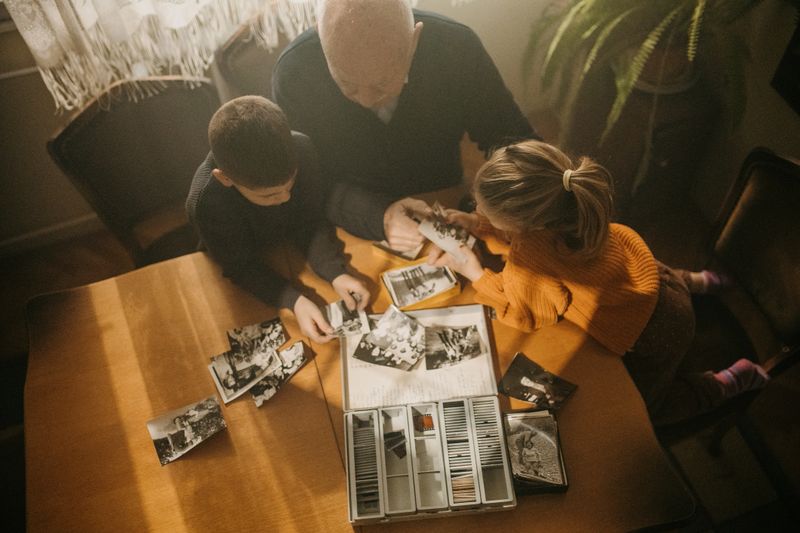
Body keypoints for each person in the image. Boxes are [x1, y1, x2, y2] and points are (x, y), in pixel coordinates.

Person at [428, 139, 770, 426]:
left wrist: (476, 273)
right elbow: (533, 242)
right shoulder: (570, 202)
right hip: (662, 282)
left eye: (484, 211)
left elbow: (524, 313)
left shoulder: (530, 257)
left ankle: (727, 382)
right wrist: (477, 224)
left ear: (519, 226)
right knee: (637, 271)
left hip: (655, 336)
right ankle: (705, 281)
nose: (480, 212)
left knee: (644, 411)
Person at [272, 0, 538, 252]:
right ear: (321, 38)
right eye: (347, 83)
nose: (365, 101)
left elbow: (514, 142)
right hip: (350, 216)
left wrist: (487, 215)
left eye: (381, 84)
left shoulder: (456, 47)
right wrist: (380, 216)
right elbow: (307, 180)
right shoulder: (293, 73)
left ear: (414, 41)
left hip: (445, 198)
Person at [186, 95, 370, 343]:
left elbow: (310, 221)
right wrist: (292, 301)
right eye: (270, 194)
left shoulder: (302, 148)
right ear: (225, 178)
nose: (285, 198)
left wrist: (335, 273)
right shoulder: (205, 201)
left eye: (291, 182)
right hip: (245, 266)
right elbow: (239, 265)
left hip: (292, 253)